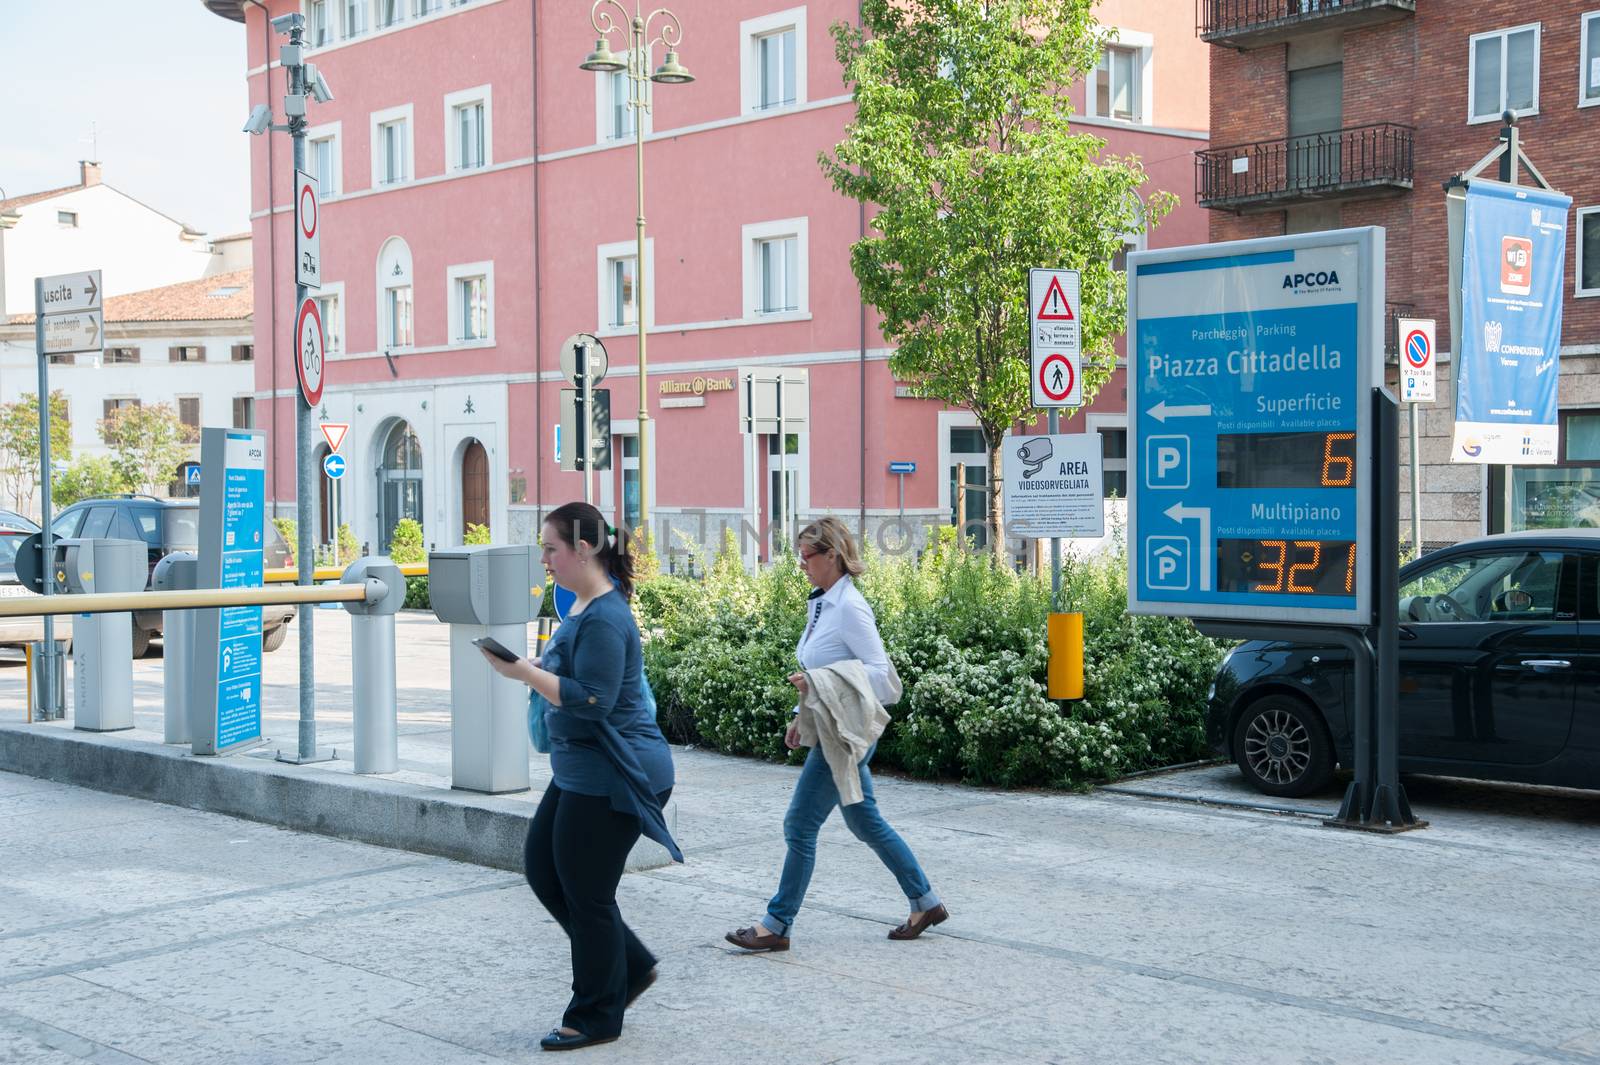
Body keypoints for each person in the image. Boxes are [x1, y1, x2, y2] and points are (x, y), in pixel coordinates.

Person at [481, 501, 678, 1053]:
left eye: (551, 548)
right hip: (582, 769)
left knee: (587, 893)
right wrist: (533, 670)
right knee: (545, 871)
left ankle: (596, 1014)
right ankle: (630, 966)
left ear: (583, 549)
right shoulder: (584, 606)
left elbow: (594, 701)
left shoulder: (608, 617)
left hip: (617, 772)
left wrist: (523, 672)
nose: (544, 559)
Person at [725, 516, 946, 953]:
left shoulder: (850, 607)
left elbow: (883, 678)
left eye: (808, 556)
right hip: (828, 726)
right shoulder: (824, 602)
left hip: (844, 735)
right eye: (799, 556)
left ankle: (777, 924)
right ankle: (925, 902)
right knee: (864, 820)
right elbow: (816, 671)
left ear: (833, 555)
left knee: (799, 825)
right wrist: (799, 710)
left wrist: (821, 684)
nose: (801, 564)